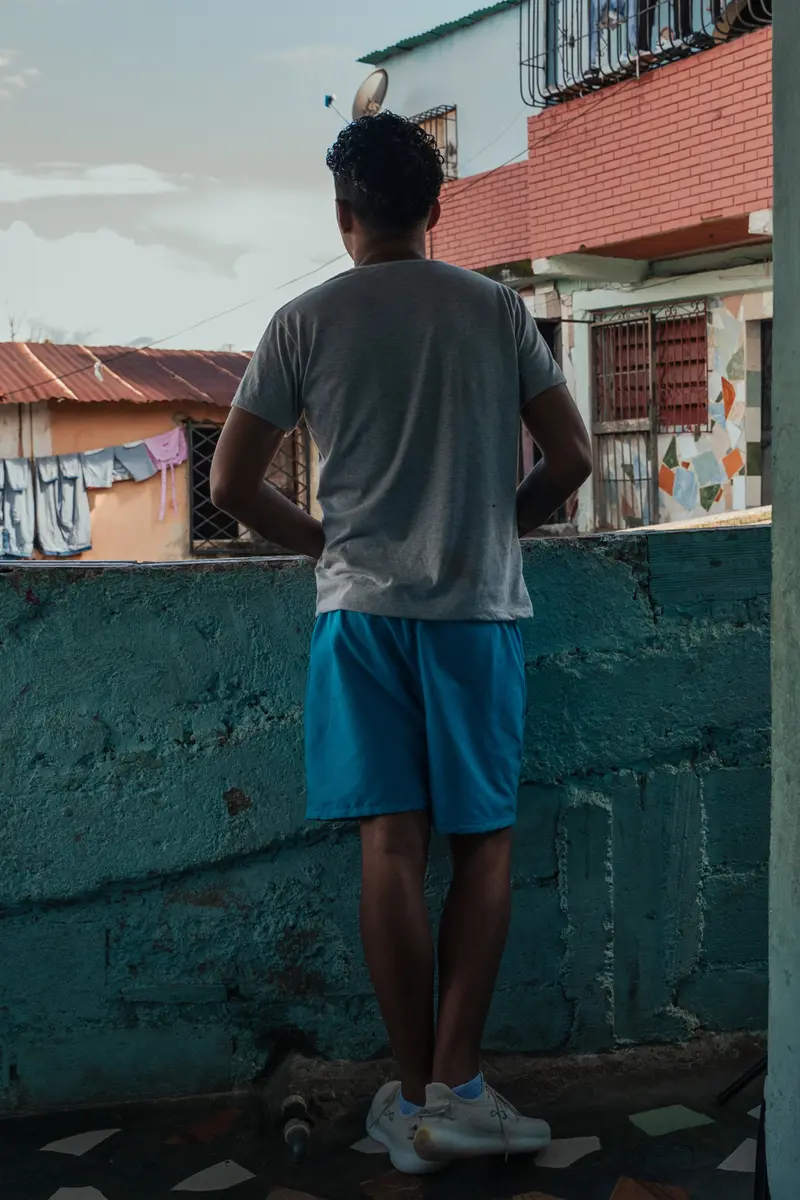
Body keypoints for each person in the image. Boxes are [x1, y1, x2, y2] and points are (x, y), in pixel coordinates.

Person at [211, 112, 592, 1176]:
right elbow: (569, 457)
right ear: (436, 209)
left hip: (363, 618)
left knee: (390, 847)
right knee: (484, 844)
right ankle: (460, 1086)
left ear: (343, 216)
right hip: (477, 617)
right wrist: (492, 524)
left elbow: (230, 488)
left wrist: (326, 543)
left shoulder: (303, 321)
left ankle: (415, 1100)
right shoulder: (495, 309)